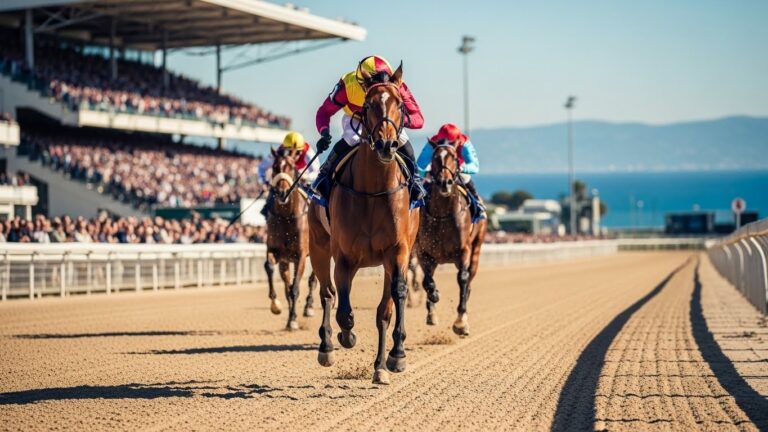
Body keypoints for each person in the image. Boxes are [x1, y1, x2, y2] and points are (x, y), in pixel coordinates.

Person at [311, 55, 425, 207]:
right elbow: (324, 112)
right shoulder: (347, 85)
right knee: (351, 139)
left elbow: (418, 119)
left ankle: (416, 180)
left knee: (403, 140)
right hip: (357, 118)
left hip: (388, 120)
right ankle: (324, 175)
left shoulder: (397, 84)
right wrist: (324, 132)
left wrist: (394, 120)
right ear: (362, 83)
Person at [416, 123, 487, 221]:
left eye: (450, 143)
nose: (446, 145)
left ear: (457, 141)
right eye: (442, 142)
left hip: (457, 169)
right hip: (437, 171)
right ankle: (416, 206)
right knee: (424, 185)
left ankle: (478, 205)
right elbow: (418, 165)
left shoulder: (464, 143)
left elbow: (475, 166)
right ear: (438, 139)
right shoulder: (433, 142)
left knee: (465, 177)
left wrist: (462, 169)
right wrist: (425, 174)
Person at [258, 131, 319, 217]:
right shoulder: (279, 151)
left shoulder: (308, 152)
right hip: (286, 178)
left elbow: (316, 173)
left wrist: (305, 177)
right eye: (288, 152)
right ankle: (267, 211)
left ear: (301, 151)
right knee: (274, 190)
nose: (292, 155)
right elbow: (262, 167)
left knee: (316, 197)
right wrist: (264, 181)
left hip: (303, 178)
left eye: (296, 152)